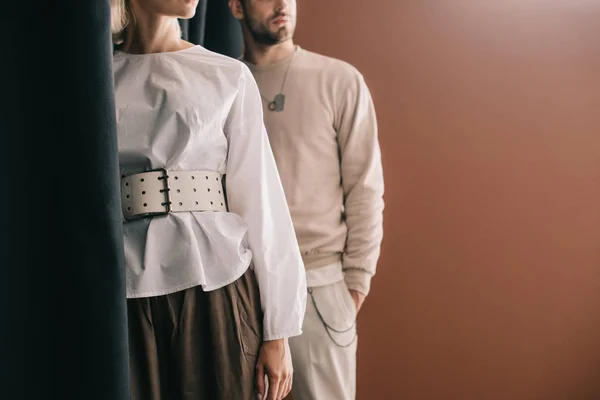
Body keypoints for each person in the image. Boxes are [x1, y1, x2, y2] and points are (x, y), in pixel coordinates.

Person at [110, 1, 307, 399]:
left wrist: (279, 332)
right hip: (123, 291)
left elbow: (260, 199)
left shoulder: (227, 74)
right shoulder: (97, 78)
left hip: (214, 286)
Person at [228, 0, 385, 399]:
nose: (283, 4)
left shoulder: (339, 80)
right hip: (238, 291)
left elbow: (365, 190)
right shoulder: (222, 82)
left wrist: (352, 291)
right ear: (237, 6)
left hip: (320, 289)